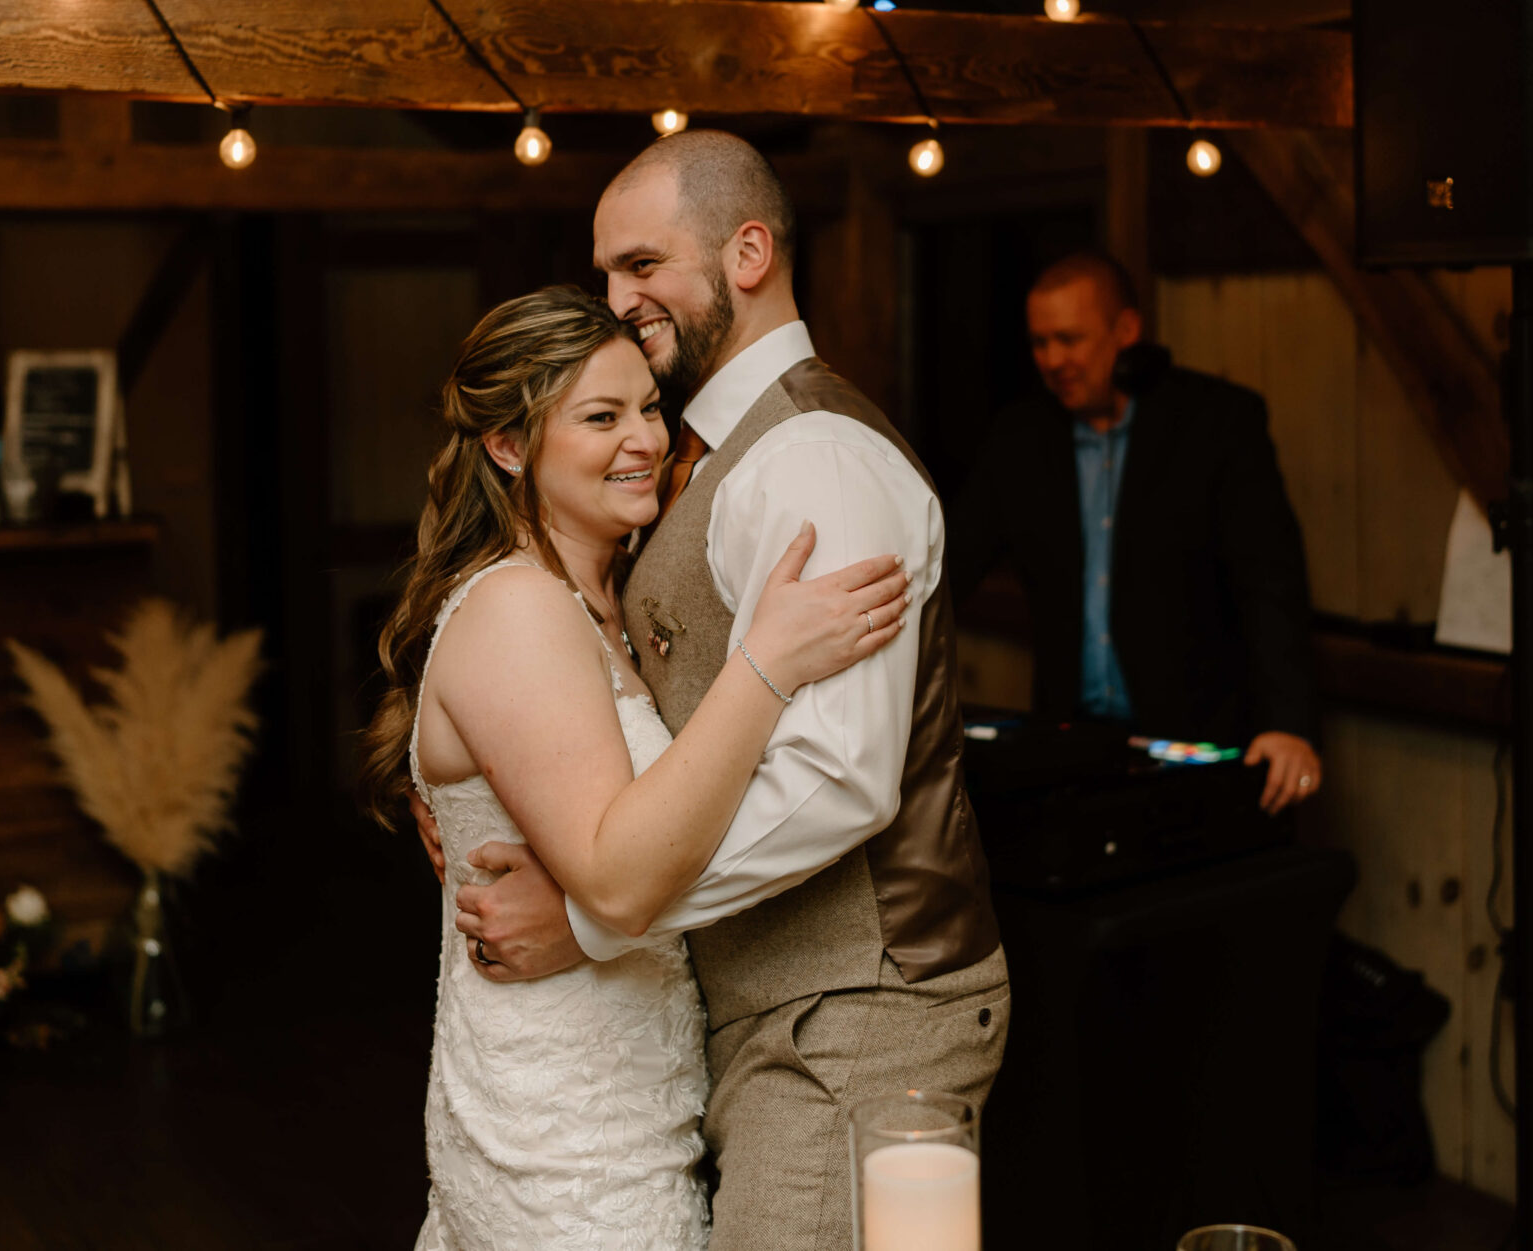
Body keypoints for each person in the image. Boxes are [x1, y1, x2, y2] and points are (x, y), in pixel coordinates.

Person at [441, 130, 1008, 1251]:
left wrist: (595, 919)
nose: (618, 300)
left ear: (748, 253)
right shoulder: (699, 452)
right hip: (760, 1013)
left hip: (858, 1013)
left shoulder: (814, 456)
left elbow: (840, 781)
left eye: (643, 265)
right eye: (607, 272)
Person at [373, 284, 915, 1249]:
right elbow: (619, 879)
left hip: (635, 1102)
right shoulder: (518, 607)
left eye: (650, 408)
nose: (645, 440)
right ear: (509, 445)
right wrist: (768, 661)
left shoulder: (605, 600)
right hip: (563, 1136)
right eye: (601, 417)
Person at [950, 251, 1324, 812]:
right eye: (1040, 343)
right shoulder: (1019, 437)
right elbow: (951, 566)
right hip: (1069, 741)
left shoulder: (1218, 424)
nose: (1053, 360)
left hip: (1200, 740)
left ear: (1125, 329)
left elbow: (1270, 584)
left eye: (1070, 339)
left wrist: (1290, 724)